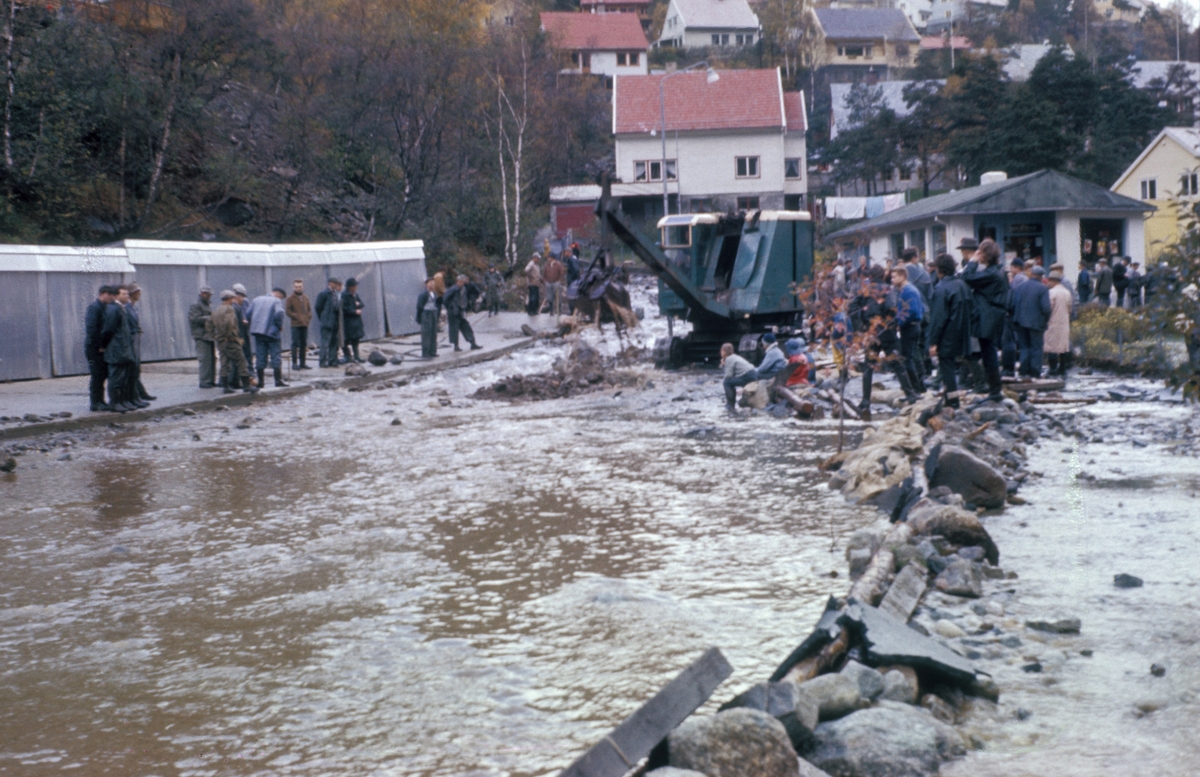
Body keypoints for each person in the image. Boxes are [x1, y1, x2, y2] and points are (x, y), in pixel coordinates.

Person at [960, 238, 1009, 403]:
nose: (977, 255)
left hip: (988, 316)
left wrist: (973, 261)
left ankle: (995, 391)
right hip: (993, 315)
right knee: (989, 353)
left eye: (980, 253)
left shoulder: (991, 273)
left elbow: (966, 277)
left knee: (989, 354)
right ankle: (995, 390)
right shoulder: (998, 271)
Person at [926, 253, 972, 408]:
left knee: (947, 371)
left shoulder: (941, 288)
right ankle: (950, 398)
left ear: (939, 269)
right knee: (954, 369)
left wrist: (933, 341)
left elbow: (938, 319)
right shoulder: (962, 285)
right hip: (963, 333)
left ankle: (952, 402)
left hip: (947, 334)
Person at [101, 285, 139, 412]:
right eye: (124, 294)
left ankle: (121, 401)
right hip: (116, 348)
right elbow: (108, 330)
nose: (127, 296)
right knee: (116, 377)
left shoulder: (120, 308)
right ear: (116, 296)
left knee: (122, 377)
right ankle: (115, 402)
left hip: (122, 348)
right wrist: (103, 345)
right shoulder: (113, 309)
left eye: (127, 294)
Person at [1009, 265, 1051, 377]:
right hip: (1036, 323)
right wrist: (1045, 321)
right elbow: (1046, 308)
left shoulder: (1020, 287)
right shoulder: (1042, 288)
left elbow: (1012, 304)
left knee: (1024, 347)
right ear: (1041, 276)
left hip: (1020, 323)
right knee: (1036, 348)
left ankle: (1023, 370)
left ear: (1032, 274)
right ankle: (1034, 371)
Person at [890, 265, 927, 395]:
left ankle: (915, 388)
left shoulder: (907, 291)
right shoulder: (910, 289)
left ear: (902, 276)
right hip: (914, 326)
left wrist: (899, 323)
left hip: (910, 327)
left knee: (907, 358)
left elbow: (912, 311)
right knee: (912, 356)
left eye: (894, 277)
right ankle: (920, 386)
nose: (892, 280)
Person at [212, 290, 257, 394]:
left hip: (221, 342)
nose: (233, 300)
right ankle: (247, 386)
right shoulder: (230, 309)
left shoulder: (217, 310)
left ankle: (226, 387)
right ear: (229, 299)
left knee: (224, 364)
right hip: (230, 341)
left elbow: (209, 324)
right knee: (241, 362)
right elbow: (229, 323)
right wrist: (231, 336)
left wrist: (215, 336)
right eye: (232, 298)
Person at [247, 288, 289, 388]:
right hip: (272, 333)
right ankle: (278, 380)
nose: (281, 299)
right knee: (275, 355)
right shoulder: (276, 301)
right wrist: (279, 325)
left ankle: (261, 382)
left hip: (258, 332)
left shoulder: (256, 299)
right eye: (281, 297)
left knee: (260, 356)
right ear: (278, 294)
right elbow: (279, 313)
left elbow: (248, 314)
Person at [85, 285, 115, 411]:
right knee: (97, 375)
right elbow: (92, 329)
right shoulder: (95, 308)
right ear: (103, 294)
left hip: (99, 347)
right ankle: (95, 402)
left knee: (101, 374)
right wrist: (100, 346)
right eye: (109, 295)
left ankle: (100, 401)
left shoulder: (102, 307)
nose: (111, 298)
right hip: (95, 348)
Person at [125, 282, 155, 403]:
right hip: (131, 338)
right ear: (132, 294)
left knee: (136, 367)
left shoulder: (133, 307)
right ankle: (137, 394)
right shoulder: (127, 308)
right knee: (133, 367)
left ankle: (140, 393)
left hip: (135, 337)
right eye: (137, 292)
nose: (140, 294)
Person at [443, 274, 482, 352]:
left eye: (463, 282)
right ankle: (456, 345)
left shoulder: (464, 288)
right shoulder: (453, 289)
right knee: (454, 329)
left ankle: (472, 343)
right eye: (460, 282)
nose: (461, 283)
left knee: (466, 327)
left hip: (461, 311)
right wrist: (450, 308)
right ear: (457, 281)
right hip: (453, 312)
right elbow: (445, 299)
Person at [1044, 270, 1072, 377]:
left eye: (1049, 281)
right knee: (1063, 346)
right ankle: (1062, 367)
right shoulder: (1067, 292)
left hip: (1053, 322)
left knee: (1052, 346)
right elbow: (1069, 307)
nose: (1048, 283)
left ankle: (1052, 368)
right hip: (1064, 322)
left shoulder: (1051, 292)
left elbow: (1048, 308)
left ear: (1053, 281)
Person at [188, 286, 216, 388]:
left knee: (211, 359)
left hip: (209, 335)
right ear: (201, 293)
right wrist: (211, 318)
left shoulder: (208, 304)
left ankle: (211, 380)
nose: (207, 296)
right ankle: (204, 381)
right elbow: (195, 319)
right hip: (201, 335)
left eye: (209, 294)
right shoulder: (195, 305)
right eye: (205, 293)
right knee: (205, 359)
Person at [315, 277, 343, 367]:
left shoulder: (335, 294)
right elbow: (318, 307)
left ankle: (332, 360)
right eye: (335, 283)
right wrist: (323, 317)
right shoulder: (323, 294)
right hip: (327, 322)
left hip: (335, 321)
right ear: (330, 283)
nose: (336, 285)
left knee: (334, 342)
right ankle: (322, 362)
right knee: (325, 343)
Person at [720, 342, 757, 410]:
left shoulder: (729, 359)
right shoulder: (734, 356)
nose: (720, 353)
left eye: (721, 351)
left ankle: (730, 404)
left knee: (726, 382)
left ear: (724, 352)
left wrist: (723, 366)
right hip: (752, 374)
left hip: (747, 377)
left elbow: (728, 376)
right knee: (730, 381)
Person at [285, 279, 313, 370]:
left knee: (303, 343)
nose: (298, 288)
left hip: (304, 324)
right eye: (296, 287)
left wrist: (308, 318)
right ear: (294, 287)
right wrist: (297, 316)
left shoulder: (305, 297)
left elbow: (309, 310)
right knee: (295, 343)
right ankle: (294, 363)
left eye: (300, 286)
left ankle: (303, 363)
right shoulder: (290, 298)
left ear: (302, 287)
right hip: (295, 324)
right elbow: (288, 311)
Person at [416, 278, 442, 358]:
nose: (432, 285)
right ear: (426, 284)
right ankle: (426, 352)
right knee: (426, 333)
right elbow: (419, 306)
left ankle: (433, 351)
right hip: (426, 313)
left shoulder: (434, 294)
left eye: (433, 283)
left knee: (433, 333)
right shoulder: (423, 294)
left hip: (433, 313)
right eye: (431, 283)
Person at [341, 277, 365, 363]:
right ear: (350, 287)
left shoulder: (355, 295)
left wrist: (359, 304)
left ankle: (357, 356)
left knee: (356, 339)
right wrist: (355, 311)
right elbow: (345, 309)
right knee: (345, 340)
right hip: (348, 322)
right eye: (354, 286)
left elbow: (362, 303)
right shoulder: (344, 295)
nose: (356, 287)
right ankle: (347, 356)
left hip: (356, 322)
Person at [232, 283, 254, 377]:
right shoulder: (233, 306)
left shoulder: (245, 302)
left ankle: (249, 371)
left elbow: (247, 313)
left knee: (247, 352)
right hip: (239, 331)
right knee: (242, 354)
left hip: (244, 329)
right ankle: (245, 374)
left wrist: (246, 320)